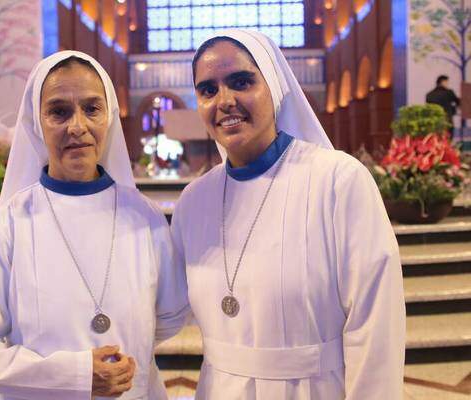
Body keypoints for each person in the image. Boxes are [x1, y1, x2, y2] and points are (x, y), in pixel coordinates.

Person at [0, 50, 190, 400]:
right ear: (36, 122)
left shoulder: (144, 218)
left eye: (92, 108)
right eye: (59, 111)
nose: (77, 126)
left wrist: (130, 344)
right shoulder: (9, 225)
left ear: (109, 117)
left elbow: (170, 314)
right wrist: (71, 375)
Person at [171, 29, 405, 399]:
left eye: (241, 82)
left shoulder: (338, 180)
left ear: (276, 87)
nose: (225, 101)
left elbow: (375, 322)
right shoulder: (194, 200)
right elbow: (162, 307)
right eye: (208, 90)